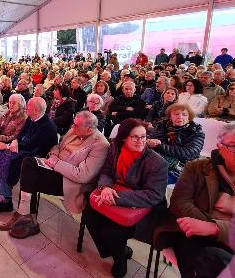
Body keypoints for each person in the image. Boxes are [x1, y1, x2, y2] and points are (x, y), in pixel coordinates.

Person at [83, 118, 168, 278]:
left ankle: (119, 257)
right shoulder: (115, 148)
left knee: (112, 231)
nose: (141, 141)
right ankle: (118, 251)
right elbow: (106, 171)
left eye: (143, 136)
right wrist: (105, 187)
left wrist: (116, 197)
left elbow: (153, 195)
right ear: (123, 138)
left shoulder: (156, 163)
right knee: (89, 214)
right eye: (135, 137)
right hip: (114, 193)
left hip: (145, 208)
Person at [2, 111, 109, 238]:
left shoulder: (101, 145)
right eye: (73, 124)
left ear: (89, 129)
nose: (72, 127)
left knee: (29, 176)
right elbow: (58, 146)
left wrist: (56, 163)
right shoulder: (74, 130)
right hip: (55, 168)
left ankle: (24, 215)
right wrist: (53, 155)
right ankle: (25, 216)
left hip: (70, 183)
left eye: (76, 125)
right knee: (28, 164)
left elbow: (83, 175)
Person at [168, 123, 235, 278]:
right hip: (197, 235)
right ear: (220, 147)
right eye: (233, 146)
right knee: (210, 257)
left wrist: (215, 227)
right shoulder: (197, 168)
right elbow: (179, 202)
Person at [0, 97, 58, 215]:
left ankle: (7, 202)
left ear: (36, 110)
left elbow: (31, 144)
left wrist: (7, 147)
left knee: (8, 160)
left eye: (28, 107)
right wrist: (14, 142)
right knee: (0, 153)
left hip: (36, 155)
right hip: (25, 148)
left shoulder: (47, 126)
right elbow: (22, 135)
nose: (26, 108)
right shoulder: (32, 118)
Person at [148, 104, 205, 184]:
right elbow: (151, 140)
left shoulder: (196, 132)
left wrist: (159, 146)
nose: (180, 117)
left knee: (152, 181)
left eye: (184, 114)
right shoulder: (162, 126)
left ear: (189, 117)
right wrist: (150, 141)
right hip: (159, 162)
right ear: (170, 116)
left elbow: (189, 153)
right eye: (176, 114)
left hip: (182, 167)